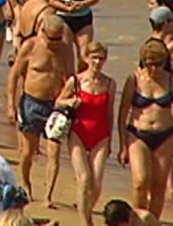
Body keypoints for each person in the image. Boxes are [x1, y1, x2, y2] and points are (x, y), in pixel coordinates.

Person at [7, 15, 73, 206]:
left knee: (54, 152)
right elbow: (14, 76)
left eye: (57, 38)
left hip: (55, 106)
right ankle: (26, 185)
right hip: (31, 103)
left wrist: (69, 102)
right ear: (42, 32)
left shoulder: (66, 50)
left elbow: (71, 78)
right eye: (50, 38)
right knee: (28, 152)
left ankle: (48, 196)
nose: (54, 43)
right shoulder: (31, 46)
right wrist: (11, 104)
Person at [117, 41, 173, 219]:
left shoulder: (170, 80)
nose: (154, 69)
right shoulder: (134, 79)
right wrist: (122, 143)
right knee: (140, 182)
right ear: (143, 62)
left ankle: (152, 222)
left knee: (159, 185)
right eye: (149, 64)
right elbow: (123, 112)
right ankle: (138, 220)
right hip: (138, 134)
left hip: (165, 135)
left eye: (158, 64)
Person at [55, 42, 115, 226]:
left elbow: (109, 112)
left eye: (101, 58)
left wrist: (110, 139)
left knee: (96, 185)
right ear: (86, 58)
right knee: (84, 179)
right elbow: (58, 101)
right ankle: (85, 222)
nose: (97, 62)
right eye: (94, 57)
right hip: (78, 132)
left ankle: (86, 212)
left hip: (100, 134)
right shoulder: (76, 80)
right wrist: (70, 102)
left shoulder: (110, 83)